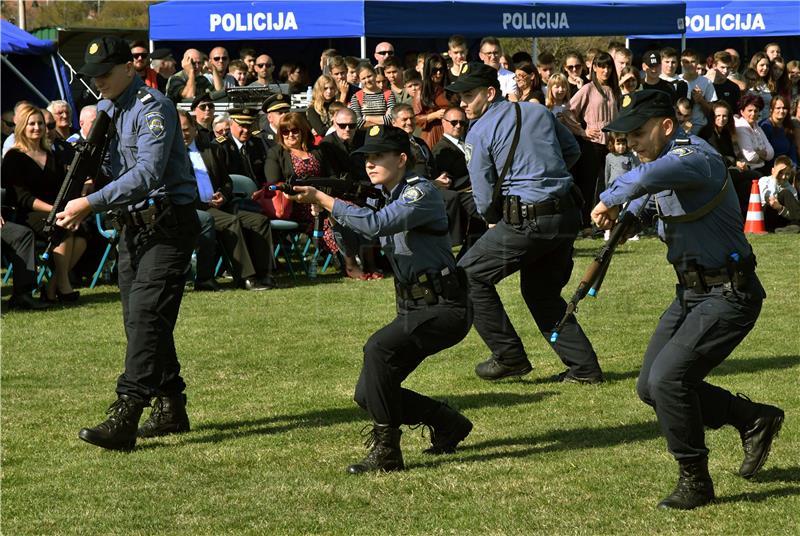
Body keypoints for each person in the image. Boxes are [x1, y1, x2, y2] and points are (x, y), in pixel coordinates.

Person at [591, 89, 785, 510]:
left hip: (730, 294)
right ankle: (752, 418)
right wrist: (625, 215)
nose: (631, 144)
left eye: (638, 135)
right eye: (626, 138)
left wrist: (608, 198)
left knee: (669, 381)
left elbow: (646, 179)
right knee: (650, 387)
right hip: (692, 293)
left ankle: (695, 479)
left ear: (665, 126)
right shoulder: (662, 162)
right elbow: (648, 192)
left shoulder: (692, 156)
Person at [288, 124, 473, 473]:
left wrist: (326, 199)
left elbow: (376, 225)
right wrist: (331, 213)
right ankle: (448, 422)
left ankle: (388, 452)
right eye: (366, 158)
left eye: (378, 156)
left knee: (378, 348)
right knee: (369, 393)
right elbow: (357, 245)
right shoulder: (386, 196)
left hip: (444, 307)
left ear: (402, 159)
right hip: (413, 307)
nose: (370, 164)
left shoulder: (420, 193)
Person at [56, 36, 201, 450]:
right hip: (132, 227)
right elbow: (110, 164)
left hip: (168, 223)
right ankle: (171, 404)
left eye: (104, 74)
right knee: (140, 320)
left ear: (128, 68)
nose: (97, 82)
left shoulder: (153, 107)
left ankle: (127, 410)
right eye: (92, 76)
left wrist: (91, 201)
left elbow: (147, 174)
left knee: (146, 316)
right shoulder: (105, 110)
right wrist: (86, 175)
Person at [447, 62, 602, 383]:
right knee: (542, 293)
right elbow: (572, 151)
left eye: (468, 95)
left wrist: (496, 216)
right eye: (459, 96)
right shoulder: (540, 113)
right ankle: (584, 370)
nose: (462, 103)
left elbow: (484, 195)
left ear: (490, 93)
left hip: (528, 219)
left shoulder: (478, 131)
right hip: (566, 214)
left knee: (468, 276)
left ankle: (509, 356)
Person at [179, 110, 276, 291]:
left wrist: (223, 194)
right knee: (232, 223)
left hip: (221, 205)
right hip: (195, 208)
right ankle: (246, 277)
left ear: (194, 129)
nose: (182, 134)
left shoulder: (212, 150)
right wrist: (205, 202)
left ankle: (266, 273)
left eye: (185, 129)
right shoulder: (171, 156)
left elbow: (227, 181)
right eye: (178, 130)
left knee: (259, 221)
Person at [1, 103, 86, 303]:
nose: (37, 128)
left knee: (81, 235)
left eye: (41, 124)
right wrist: (56, 210)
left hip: (54, 210)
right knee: (63, 230)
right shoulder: (14, 157)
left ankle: (53, 285)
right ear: (22, 126)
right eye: (32, 124)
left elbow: (61, 188)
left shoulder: (52, 155)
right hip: (29, 213)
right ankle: (63, 287)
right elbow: (22, 198)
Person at [570, 51, 620, 227]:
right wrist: (582, 131)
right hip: (593, 144)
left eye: (608, 66)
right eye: (602, 66)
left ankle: (605, 221)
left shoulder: (614, 89)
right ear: (595, 68)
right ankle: (584, 222)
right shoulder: (588, 88)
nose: (605, 70)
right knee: (589, 184)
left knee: (610, 183)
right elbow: (567, 112)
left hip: (612, 144)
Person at [432, 106, 486, 257]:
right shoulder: (441, 150)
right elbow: (447, 181)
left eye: (462, 123)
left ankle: (466, 260)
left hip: (474, 193)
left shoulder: (464, 143)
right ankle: (464, 260)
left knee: (478, 231)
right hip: (463, 195)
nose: (458, 126)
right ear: (443, 122)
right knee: (480, 224)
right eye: (454, 122)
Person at [414, 54, 451, 148]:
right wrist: (434, 115)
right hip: (431, 134)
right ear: (428, 71)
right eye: (434, 70)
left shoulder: (450, 89)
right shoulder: (421, 92)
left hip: (451, 131)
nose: (438, 73)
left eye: (441, 70)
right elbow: (415, 119)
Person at [679, 49, 717, 135]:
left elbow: (711, 111)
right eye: (686, 62)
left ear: (697, 63)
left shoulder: (706, 82)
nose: (690, 65)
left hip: (700, 127)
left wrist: (701, 100)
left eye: (692, 61)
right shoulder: (676, 81)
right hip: (679, 126)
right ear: (681, 63)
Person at [735, 94, 774, 174]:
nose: (753, 114)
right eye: (750, 110)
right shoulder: (740, 127)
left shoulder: (757, 127)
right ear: (742, 112)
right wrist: (762, 153)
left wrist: (757, 152)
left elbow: (771, 153)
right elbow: (750, 157)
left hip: (762, 167)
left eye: (756, 111)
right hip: (748, 170)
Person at [349, 64, 396, 129]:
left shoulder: (388, 94)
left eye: (369, 76)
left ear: (375, 75)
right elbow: (357, 122)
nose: (367, 80)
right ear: (359, 80)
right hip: (364, 137)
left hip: (385, 136)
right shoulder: (356, 97)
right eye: (363, 78)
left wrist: (367, 118)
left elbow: (391, 118)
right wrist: (382, 120)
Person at [760, 95, 797, 165]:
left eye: (784, 108)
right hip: (770, 167)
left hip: (787, 166)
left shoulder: (788, 126)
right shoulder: (765, 126)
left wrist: (794, 167)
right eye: (778, 108)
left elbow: (792, 151)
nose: (782, 111)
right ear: (771, 109)